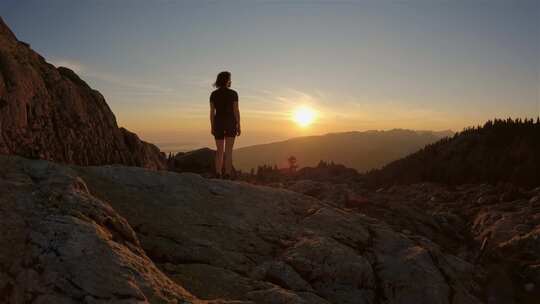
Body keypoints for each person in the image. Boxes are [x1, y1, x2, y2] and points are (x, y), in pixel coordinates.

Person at [209, 71, 241, 179]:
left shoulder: (213, 94)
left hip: (218, 123)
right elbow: (236, 110)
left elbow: (212, 112)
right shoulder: (233, 94)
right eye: (230, 79)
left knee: (219, 151)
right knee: (228, 151)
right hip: (230, 123)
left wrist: (212, 126)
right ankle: (227, 174)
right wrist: (239, 125)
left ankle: (218, 173)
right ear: (227, 80)